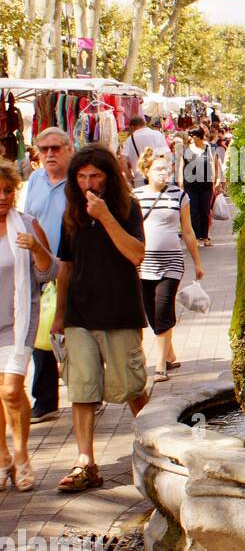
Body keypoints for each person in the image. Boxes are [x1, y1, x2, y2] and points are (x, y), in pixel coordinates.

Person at [50, 146, 150, 493]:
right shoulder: (71, 213)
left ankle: (158, 447)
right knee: (82, 389)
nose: (88, 183)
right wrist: (60, 314)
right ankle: (85, 462)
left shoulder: (127, 208)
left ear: (109, 176)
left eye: (95, 175)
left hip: (119, 311)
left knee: (132, 387)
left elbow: (137, 254)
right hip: (80, 313)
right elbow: (66, 266)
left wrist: (106, 216)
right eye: (81, 176)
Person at [0, 161, 58, 491]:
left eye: (8, 190)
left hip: (18, 323)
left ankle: (22, 456)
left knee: (11, 390)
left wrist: (36, 248)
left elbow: (49, 273)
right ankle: (2, 456)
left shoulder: (26, 224)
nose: (3, 196)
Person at [134, 147, 203, 381]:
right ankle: (170, 352)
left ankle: (160, 365)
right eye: (158, 169)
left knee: (163, 310)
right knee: (151, 313)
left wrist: (197, 262)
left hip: (171, 262)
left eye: (167, 169)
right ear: (146, 170)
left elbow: (188, 230)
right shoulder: (136, 196)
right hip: (144, 264)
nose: (164, 173)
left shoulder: (180, 195)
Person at [18, 127, 72, 423]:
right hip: (40, 268)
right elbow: (27, 220)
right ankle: (46, 399)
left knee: (73, 331)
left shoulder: (77, 180)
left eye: (55, 148)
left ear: (67, 149)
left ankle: (87, 390)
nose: (49, 154)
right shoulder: (35, 180)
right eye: (44, 150)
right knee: (42, 333)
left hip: (70, 266)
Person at [182, 128, 216, 247]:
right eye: (190, 135)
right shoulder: (185, 150)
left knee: (205, 211)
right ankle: (196, 237)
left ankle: (205, 237)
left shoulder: (207, 149)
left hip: (205, 185)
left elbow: (212, 164)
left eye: (193, 135)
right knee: (193, 212)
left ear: (200, 136)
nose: (191, 137)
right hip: (190, 185)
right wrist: (180, 185)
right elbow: (181, 166)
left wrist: (215, 181)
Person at [121, 115, 170, 186]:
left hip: (140, 180)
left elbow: (122, 160)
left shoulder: (129, 140)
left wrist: (128, 175)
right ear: (144, 124)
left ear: (132, 127)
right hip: (158, 177)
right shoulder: (157, 134)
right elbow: (167, 154)